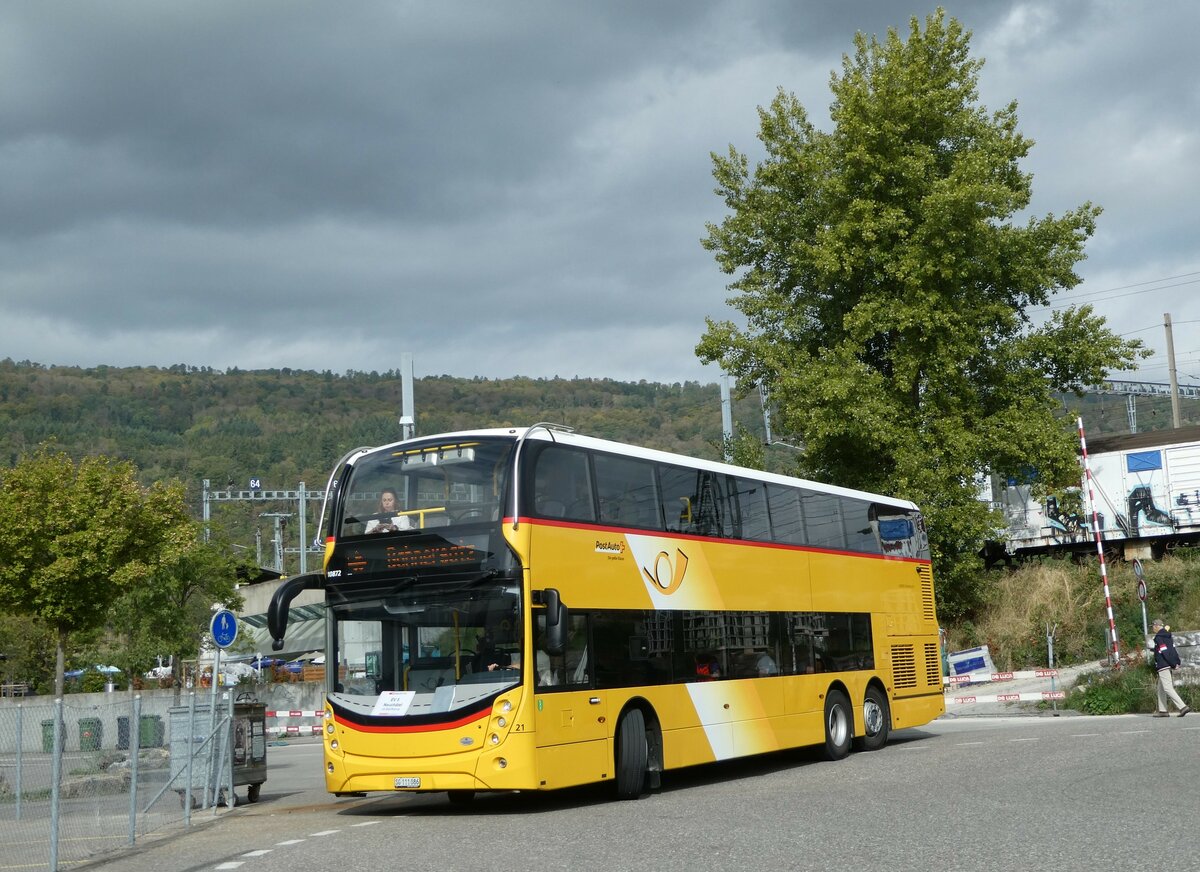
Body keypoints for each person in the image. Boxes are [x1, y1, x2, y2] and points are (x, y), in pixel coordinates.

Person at [1150, 618, 1190, 717]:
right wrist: (1176, 662)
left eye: (1153, 627)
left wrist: (1172, 663)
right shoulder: (1167, 636)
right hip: (1167, 664)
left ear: (1156, 626)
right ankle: (1163, 711)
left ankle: (1183, 707)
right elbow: (1172, 650)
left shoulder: (1159, 637)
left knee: (1167, 688)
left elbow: (1165, 652)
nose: (1152, 629)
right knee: (1161, 688)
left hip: (1163, 665)